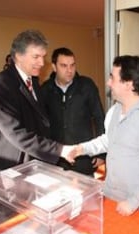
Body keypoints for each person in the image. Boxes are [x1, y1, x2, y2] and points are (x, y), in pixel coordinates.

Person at [69, 55, 139, 216]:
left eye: (113, 78)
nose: (108, 82)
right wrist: (81, 149)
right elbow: (109, 141)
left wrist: (133, 202)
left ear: (129, 84)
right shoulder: (115, 110)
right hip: (112, 195)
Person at [0, 29, 72, 173]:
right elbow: (16, 133)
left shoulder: (33, 81)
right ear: (18, 56)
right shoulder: (1, 83)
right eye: (36, 57)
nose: (41, 63)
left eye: (43, 57)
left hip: (35, 162)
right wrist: (58, 150)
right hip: (14, 165)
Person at [40, 47, 105, 176]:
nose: (69, 70)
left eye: (72, 65)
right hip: (57, 158)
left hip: (83, 157)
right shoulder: (45, 90)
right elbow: (42, 125)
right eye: (64, 66)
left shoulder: (87, 86)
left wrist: (102, 154)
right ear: (54, 67)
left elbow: (99, 119)